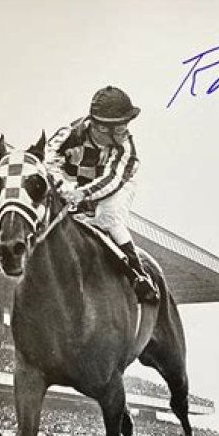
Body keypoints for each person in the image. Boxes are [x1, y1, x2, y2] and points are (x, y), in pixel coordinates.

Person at [45, 86, 159, 302]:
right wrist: (64, 187)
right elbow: (48, 161)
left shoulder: (126, 147)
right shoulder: (68, 135)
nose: (124, 133)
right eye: (120, 128)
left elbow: (112, 179)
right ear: (101, 127)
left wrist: (83, 193)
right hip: (73, 183)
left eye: (124, 127)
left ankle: (138, 274)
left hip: (117, 185)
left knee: (108, 216)